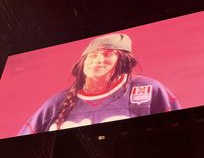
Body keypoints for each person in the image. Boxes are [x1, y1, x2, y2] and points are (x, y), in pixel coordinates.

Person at [19, 33, 180, 135]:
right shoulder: (56, 104)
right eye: (93, 55)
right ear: (82, 62)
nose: (99, 60)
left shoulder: (149, 90)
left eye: (108, 54)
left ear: (123, 61)